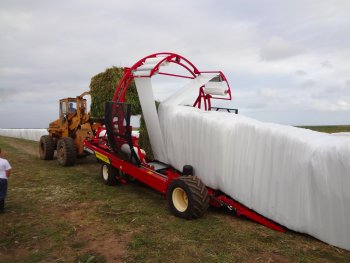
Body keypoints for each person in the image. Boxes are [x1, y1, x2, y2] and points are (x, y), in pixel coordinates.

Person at [0, 147, 11, 213]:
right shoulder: (4, 161)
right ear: (0, 152)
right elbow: (8, 171)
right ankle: (1, 209)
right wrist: (6, 176)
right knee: (2, 193)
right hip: (3, 179)